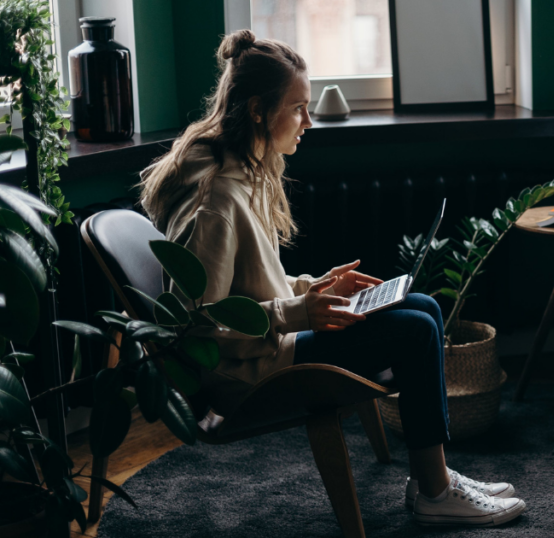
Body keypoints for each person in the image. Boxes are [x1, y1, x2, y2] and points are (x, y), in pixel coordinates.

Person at [138, 30, 525, 528]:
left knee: (423, 307)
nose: (308, 120)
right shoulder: (218, 199)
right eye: (298, 107)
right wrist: (299, 312)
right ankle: (434, 490)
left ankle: (437, 475)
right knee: (417, 329)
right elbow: (195, 327)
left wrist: (312, 287)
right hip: (249, 374)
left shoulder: (242, 169)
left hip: (271, 346)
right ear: (258, 110)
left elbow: (250, 284)